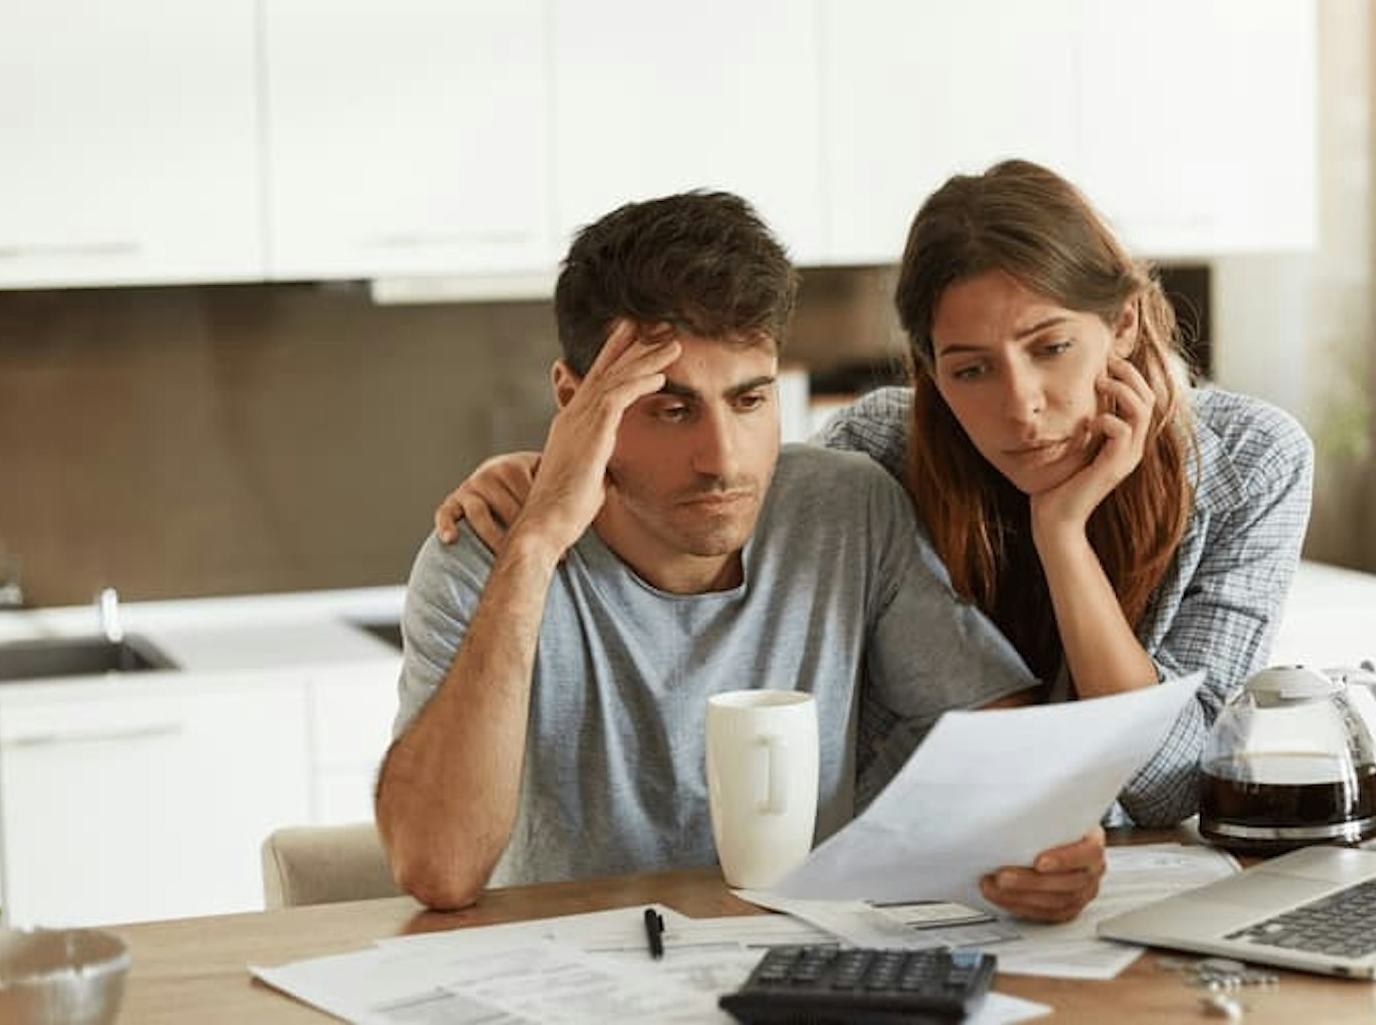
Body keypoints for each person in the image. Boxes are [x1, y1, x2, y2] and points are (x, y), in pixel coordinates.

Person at [436, 161, 1314, 828]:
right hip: (923, 876)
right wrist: (548, 477)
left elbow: (1166, 788)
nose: (1020, 407)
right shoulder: (881, 452)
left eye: (1051, 348)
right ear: (929, 369)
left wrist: (1063, 535)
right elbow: (715, 495)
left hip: (1108, 879)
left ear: (1120, 323)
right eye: (970, 369)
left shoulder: (1253, 465)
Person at [377, 190, 1105, 921]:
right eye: (671, 408)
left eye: (750, 401)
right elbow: (439, 870)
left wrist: (1047, 843)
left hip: (801, 966)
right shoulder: (487, 552)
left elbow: (1005, 747)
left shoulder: (846, 511)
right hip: (573, 978)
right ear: (575, 400)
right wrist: (535, 547)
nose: (722, 461)